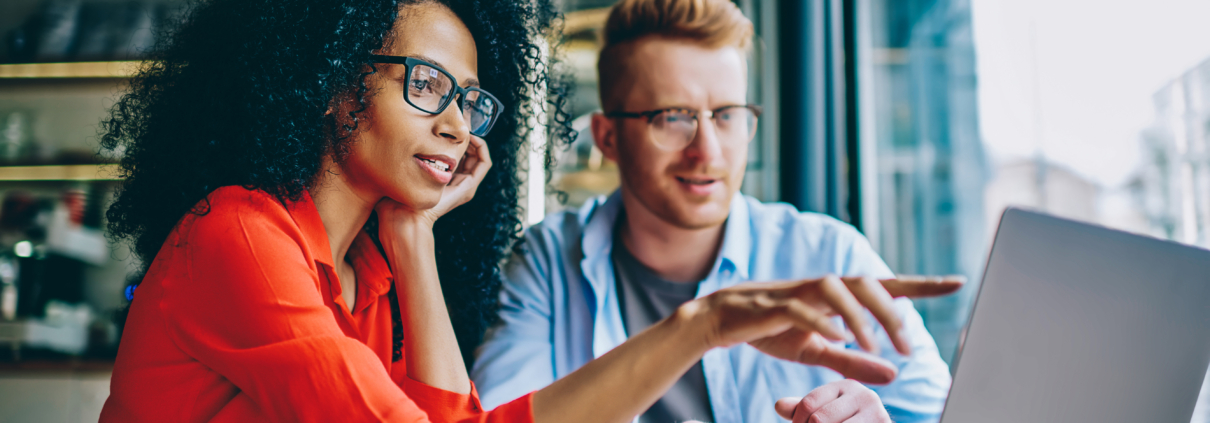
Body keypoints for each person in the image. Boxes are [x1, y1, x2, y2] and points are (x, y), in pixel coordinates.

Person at [100, 0, 957, 421]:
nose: (453, 121)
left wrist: (412, 234)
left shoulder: (369, 272)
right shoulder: (242, 236)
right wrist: (704, 324)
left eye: (470, 99)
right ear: (330, 82)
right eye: (426, 83)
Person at [471, 0, 959, 422]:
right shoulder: (549, 261)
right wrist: (701, 326)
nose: (708, 151)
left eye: (727, 116)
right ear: (608, 138)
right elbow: (499, 422)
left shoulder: (828, 253)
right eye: (673, 118)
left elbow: (950, 414)